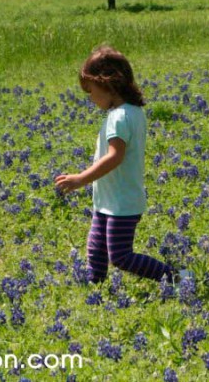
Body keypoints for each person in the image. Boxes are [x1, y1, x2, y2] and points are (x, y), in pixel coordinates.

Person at [55, 45, 187, 285]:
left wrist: (81, 178)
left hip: (121, 203)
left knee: (121, 256)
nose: (90, 97)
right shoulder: (132, 111)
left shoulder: (119, 117)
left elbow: (115, 156)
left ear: (108, 84)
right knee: (96, 251)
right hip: (110, 199)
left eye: (91, 90)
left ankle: (177, 279)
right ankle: (93, 290)